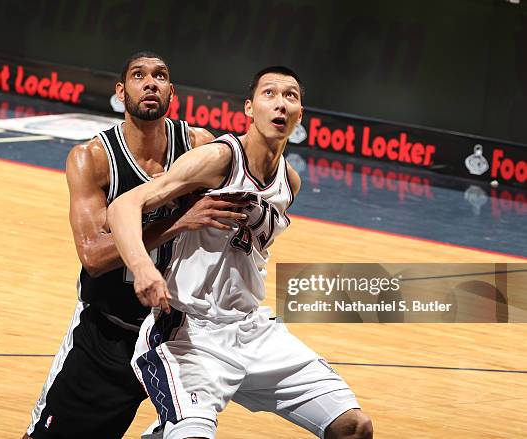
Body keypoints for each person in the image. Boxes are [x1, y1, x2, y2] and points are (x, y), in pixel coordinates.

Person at [107, 66, 374, 439]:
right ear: (249, 108)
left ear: (300, 114)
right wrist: (143, 267)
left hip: (253, 330)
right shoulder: (219, 158)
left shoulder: (289, 181)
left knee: (354, 426)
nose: (280, 104)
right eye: (270, 94)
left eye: (290, 96)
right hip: (189, 332)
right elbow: (123, 205)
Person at [23, 52, 246, 439]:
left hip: (179, 336)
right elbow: (93, 256)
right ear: (120, 91)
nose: (150, 83)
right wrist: (177, 223)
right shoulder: (92, 159)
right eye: (139, 75)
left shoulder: (198, 147)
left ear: (172, 92)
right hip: (111, 332)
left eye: (160, 76)